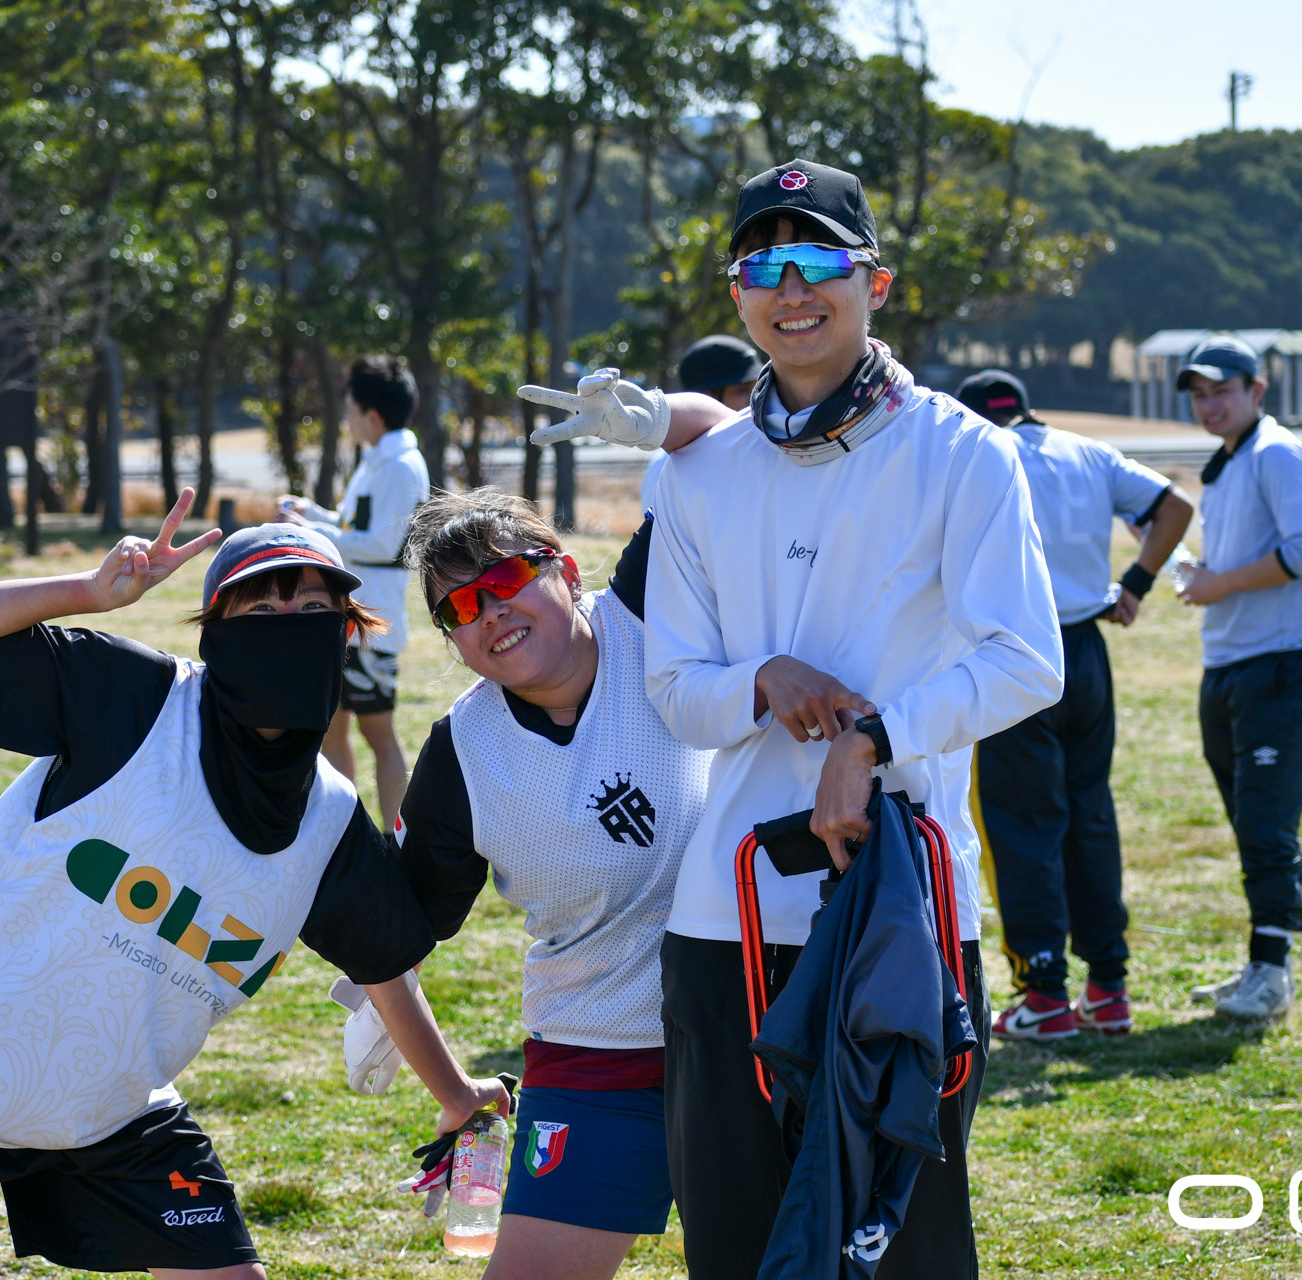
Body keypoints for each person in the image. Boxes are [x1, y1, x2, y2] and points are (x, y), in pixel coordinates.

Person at [0, 493, 507, 1280]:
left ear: (346, 632)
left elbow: (384, 968)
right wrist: (88, 592)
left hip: (109, 1110)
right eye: (262, 607)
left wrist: (456, 1094)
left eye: (312, 608)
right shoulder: (131, 696)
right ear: (217, 629)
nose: (289, 623)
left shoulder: (328, 820)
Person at [628, 157, 1062, 1279]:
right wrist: (763, 680)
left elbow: (1027, 661)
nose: (792, 288)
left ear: (874, 280)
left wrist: (874, 738)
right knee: (737, 1247)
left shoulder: (962, 451)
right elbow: (676, 690)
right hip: (724, 921)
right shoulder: (694, 476)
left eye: (819, 257)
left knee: (903, 1249)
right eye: (762, 264)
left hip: (902, 911)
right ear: (737, 293)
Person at [389, 381, 734, 1280]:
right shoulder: (463, 753)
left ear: (567, 572)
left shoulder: (650, 613)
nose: (491, 612)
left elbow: (726, 450)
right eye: (460, 609)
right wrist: (452, 1089)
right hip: (595, 1052)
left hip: (753, 1029)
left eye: (505, 581)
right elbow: (387, 936)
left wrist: (658, 416)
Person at [953, 369, 1194, 1041]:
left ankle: (1044, 991)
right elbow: (1175, 506)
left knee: (1021, 824)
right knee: (1090, 812)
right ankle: (1108, 984)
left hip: (1013, 652)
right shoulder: (1085, 450)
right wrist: (1135, 583)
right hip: (1086, 649)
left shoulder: (975, 451)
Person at [1175, 335, 1302, 1021]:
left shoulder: (1276, 452)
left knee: (1266, 824)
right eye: (1199, 395)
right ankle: (1260, 964)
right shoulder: (1230, 461)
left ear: (1256, 391)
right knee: (1249, 819)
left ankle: (1273, 972)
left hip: (1280, 664)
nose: (1209, 406)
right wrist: (1203, 575)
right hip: (1229, 665)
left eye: (1223, 392)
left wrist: (1221, 583)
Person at [279, 355, 430, 822]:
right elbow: (354, 527)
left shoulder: (401, 466)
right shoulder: (376, 460)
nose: (346, 418)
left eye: (350, 409)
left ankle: (399, 844)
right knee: (332, 730)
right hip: (345, 616)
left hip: (374, 620)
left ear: (373, 416)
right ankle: (342, 833)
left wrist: (315, 532)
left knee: (378, 733)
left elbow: (384, 544)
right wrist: (312, 514)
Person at [639, 334, 763, 517]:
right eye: (742, 390)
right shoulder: (667, 467)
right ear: (706, 396)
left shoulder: (762, 449)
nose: (756, 397)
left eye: (759, 386)